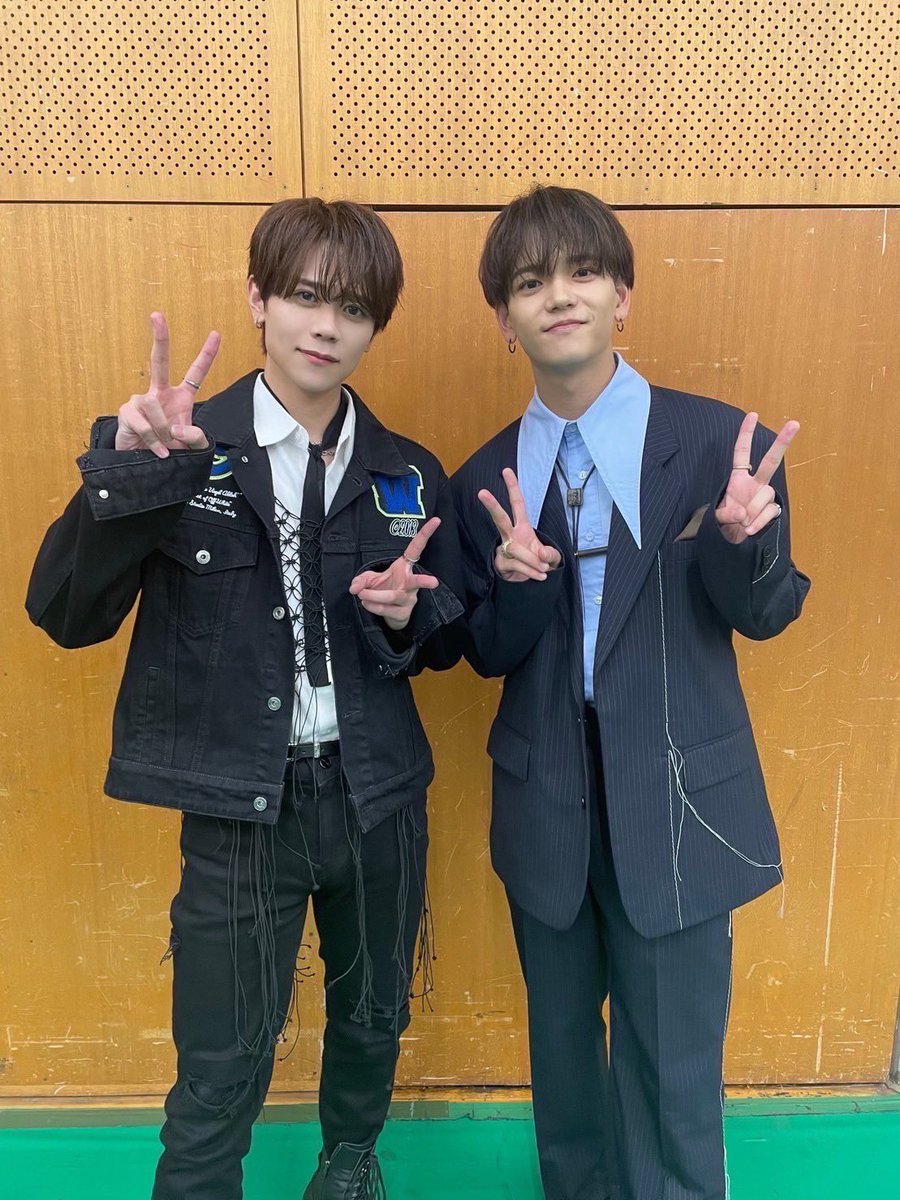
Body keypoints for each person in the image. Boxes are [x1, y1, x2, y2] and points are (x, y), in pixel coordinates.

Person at [26, 197, 464, 1200]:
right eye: (306, 296)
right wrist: (132, 473)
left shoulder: (406, 472)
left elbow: (439, 646)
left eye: (354, 308)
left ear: (374, 325)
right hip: (238, 806)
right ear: (260, 299)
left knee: (373, 1019)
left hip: (377, 800)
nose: (327, 326)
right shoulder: (178, 445)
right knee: (220, 1059)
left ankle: (348, 1171)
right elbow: (65, 613)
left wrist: (407, 619)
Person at [451, 185, 810, 1200]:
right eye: (531, 283)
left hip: (681, 798)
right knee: (564, 1067)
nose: (559, 296)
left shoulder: (720, 447)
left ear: (624, 297)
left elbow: (765, 613)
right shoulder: (485, 477)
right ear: (504, 317)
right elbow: (485, 651)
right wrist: (517, 590)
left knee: (674, 1068)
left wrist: (742, 544)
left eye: (584, 272)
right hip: (545, 802)